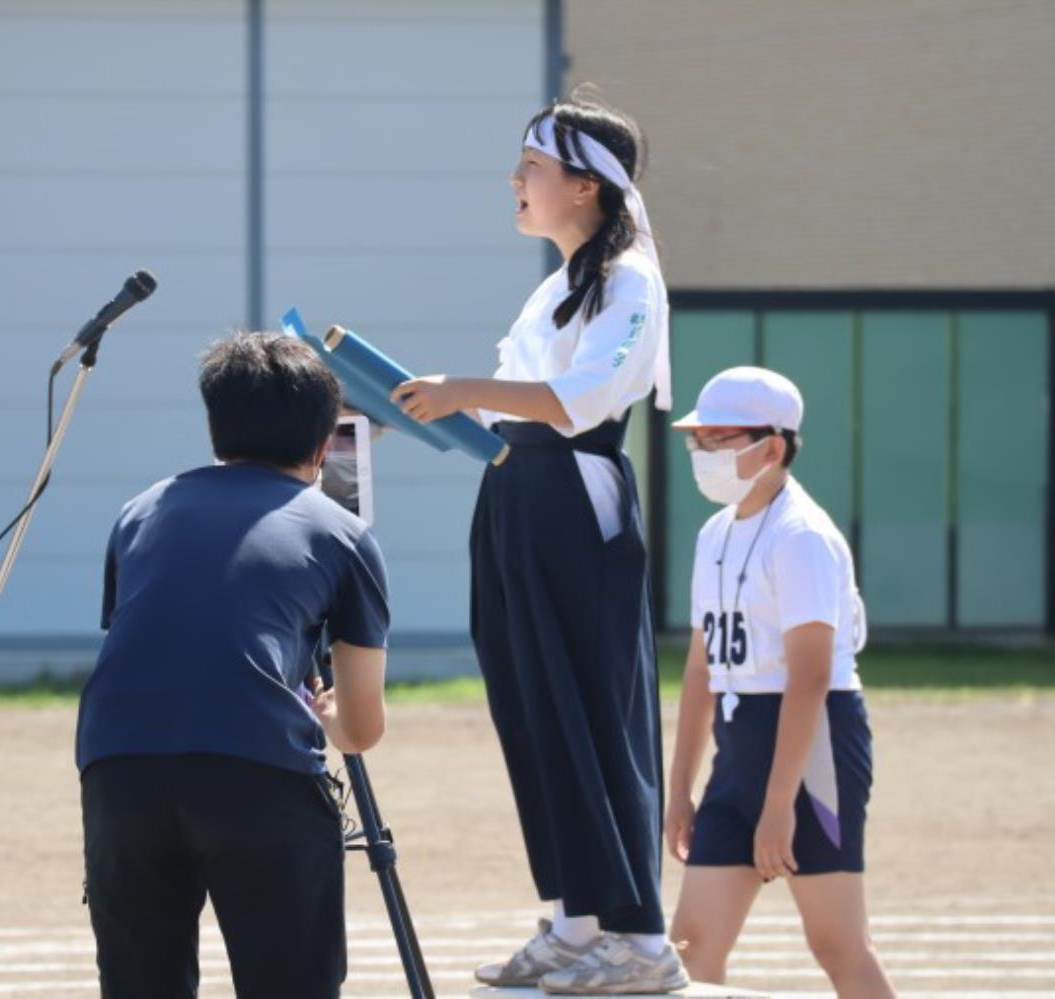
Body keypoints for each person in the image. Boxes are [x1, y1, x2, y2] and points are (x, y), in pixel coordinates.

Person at [390, 89, 685, 995]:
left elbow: (576, 402)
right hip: (515, 499)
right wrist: (403, 401)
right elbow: (502, 402)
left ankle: (638, 938)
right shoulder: (556, 287)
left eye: (533, 167)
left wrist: (459, 387)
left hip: (574, 507)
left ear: (589, 188)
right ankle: (572, 919)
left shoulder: (631, 281)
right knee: (531, 712)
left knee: (594, 713)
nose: (515, 181)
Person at [76, 332, 390, 999]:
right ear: (320, 443)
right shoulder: (342, 532)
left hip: (118, 764)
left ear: (217, 429)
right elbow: (360, 730)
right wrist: (326, 708)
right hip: (256, 767)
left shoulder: (138, 512)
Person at [665, 367, 896, 998]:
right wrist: (679, 789)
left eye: (718, 439)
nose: (702, 454)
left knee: (838, 945)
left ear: (773, 447)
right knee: (691, 944)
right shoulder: (714, 534)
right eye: (697, 440)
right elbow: (699, 669)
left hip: (813, 748)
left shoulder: (803, 537)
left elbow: (812, 676)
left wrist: (776, 807)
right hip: (741, 745)